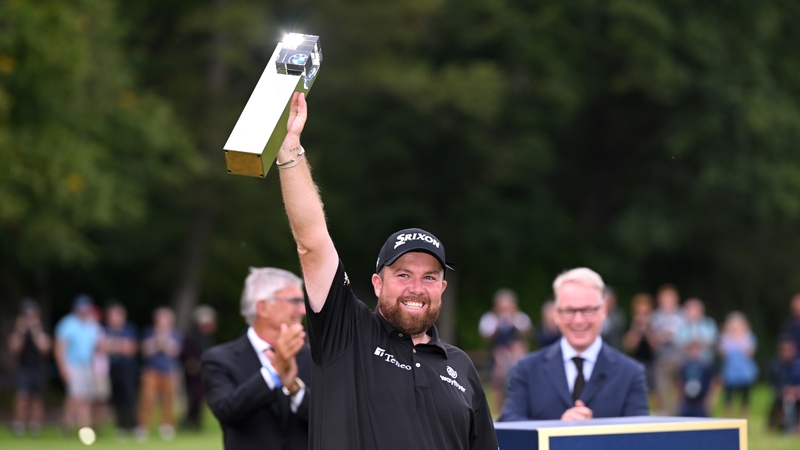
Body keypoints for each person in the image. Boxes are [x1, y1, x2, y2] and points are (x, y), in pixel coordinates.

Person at [273, 92, 497, 449]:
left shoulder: (461, 367)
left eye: (429, 277)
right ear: (377, 283)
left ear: (442, 287)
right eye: (403, 274)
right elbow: (312, 243)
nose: (416, 288)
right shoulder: (346, 333)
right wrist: (289, 151)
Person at [500, 268, 649, 421]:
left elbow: (639, 439)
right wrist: (558, 429)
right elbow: (509, 426)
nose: (578, 320)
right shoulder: (527, 369)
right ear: (556, 314)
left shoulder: (630, 373)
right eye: (570, 311)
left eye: (587, 310)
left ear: (603, 311)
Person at [202, 268, 310, 450]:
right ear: (263, 307)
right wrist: (273, 372)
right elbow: (227, 411)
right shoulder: (219, 359)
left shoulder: (313, 357)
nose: (303, 309)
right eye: (295, 301)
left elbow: (332, 418)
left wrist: (294, 389)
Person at [54, 294, 103, 436]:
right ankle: (66, 424)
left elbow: (97, 347)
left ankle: (84, 427)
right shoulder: (67, 323)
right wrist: (63, 368)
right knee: (75, 396)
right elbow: (59, 347)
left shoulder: (92, 325)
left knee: (86, 397)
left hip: (87, 365)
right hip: (72, 364)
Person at [478, 288, 532, 413]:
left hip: (516, 357)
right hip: (496, 356)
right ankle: (498, 410)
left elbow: (527, 334)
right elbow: (485, 337)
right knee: (497, 383)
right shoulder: (490, 318)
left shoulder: (520, 317)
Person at [136, 307, 182, 441]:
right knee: (147, 398)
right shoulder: (149, 332)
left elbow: (174, 352)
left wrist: (164, 343)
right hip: (151, 370)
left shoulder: (175, 334)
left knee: (169, 399)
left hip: (169, 371)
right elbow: (146, 350)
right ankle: (143, 426)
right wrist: (158, 342)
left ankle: (167, 426)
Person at [8, 298, 51, 437]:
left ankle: (35, 425)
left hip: (38, 368)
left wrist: (35, 330)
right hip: (23, 368)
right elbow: (14, 348)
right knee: (22, 396)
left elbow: (45, 348)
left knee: (37, 398)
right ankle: (18, 424)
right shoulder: (17, 329)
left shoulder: (41, 328)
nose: (29, 318)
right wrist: (20, 330)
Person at [104, 301, 138, 436]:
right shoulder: (105, 329)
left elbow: (130, 349)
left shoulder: (128, 329)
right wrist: (119, 346)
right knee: (116, 399)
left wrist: (112, 346)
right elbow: (102, 347)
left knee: (129, 397)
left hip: (126, 369)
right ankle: (121, 426)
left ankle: (134, 425)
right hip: (111, 369)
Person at [650, 284, 685, 415]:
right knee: (661, 389)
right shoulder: (655, 317)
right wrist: (661, 337)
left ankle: (681, 413)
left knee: (681, 389)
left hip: (680, 359)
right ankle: (665, 415)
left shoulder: (683, 315)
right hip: (661, 359)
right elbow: (651, 339)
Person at [181, 305, 217, 430]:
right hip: (192, 372)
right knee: (195, 396)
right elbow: (187, 355)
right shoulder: (191, 336)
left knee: (199, 397)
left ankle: (194, 422)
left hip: (202, 370)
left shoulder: (205, 337)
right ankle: (189, 421)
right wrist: (190, 363)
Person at [718, 311, 758, 417]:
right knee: (728, 396)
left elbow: (749, 353)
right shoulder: (725, 338)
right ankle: (727, 417)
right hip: (730, 372)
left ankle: (745, 417)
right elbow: (723, 354)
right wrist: (731, 339)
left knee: (745, 397)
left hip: (745, 372)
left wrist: (740, 339)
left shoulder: (749, 337)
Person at [623, 293, 656, 396]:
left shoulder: (653, 324)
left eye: (645, 313)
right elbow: (629, 346)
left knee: (655, 391)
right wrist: (636, 328)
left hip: (652, 362)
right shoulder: (631, 324)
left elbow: (654, 345)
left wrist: (647, 329)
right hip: (636, 361)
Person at [767, 337, 800, 433]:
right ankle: (788, 427)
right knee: (788, 400)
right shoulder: (776, 366)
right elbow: (773, 383)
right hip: (783, 394)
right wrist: (784, 390)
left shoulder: (797, 365)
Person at [677, 339, 717, 417]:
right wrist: (681, 399)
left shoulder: (706, 366)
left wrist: (709, 399)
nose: (694, 352)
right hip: (687, 402)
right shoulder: (685, 366)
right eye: (692, 350)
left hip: (701, 402)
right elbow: (680, 382)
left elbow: (712, 382)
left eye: (696, 350)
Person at [675, 298, 718, 364]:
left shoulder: (709, 323)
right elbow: (677, 341)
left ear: (702, 311)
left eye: (696, 310)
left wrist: (699, 343)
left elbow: (713, 340)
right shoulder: (681, 324)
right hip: (685, 357)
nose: (693, 313)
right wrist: (689, 345)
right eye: (690, 310)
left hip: (705, 356)